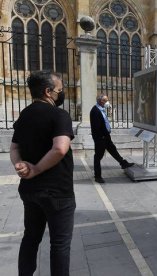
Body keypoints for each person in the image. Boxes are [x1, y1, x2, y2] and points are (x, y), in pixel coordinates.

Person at [10, 70, 76, 275]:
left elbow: (14, 148)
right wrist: (36, 168)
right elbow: (60, 148)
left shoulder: (25, 114)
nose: (62, 93)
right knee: (60, 244)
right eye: (60, 90)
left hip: (30, 190)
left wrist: (20, 165)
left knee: (31, 237)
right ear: (48, 92)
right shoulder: (59, 114)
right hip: (57, 191)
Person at [90, 94, 134, 183]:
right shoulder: (95, 111)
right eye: (105, 100)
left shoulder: (101, 109)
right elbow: (96, 127)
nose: (107, 102)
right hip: (101, 138)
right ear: (100, 101)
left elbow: (105, 122)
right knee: (98, 156)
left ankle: (123, 163)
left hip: (106, 137)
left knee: (113, 150)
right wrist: (102, 136)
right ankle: (97, 176)